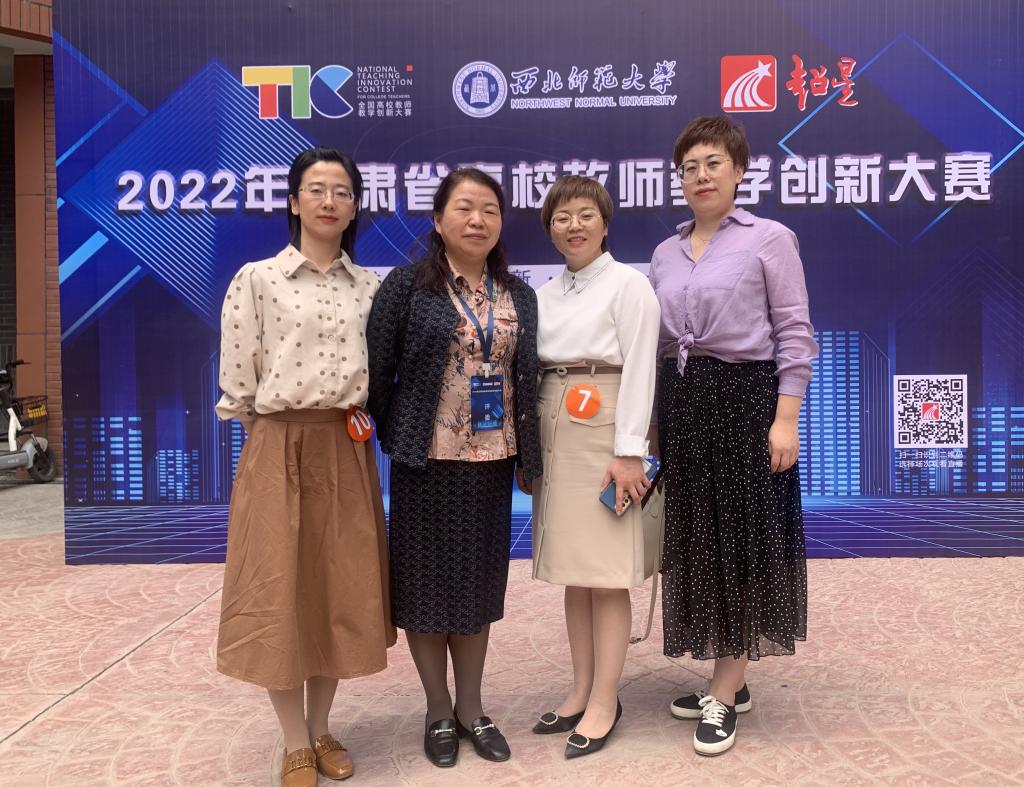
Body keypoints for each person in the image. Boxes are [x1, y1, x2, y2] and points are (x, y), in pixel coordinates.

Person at [216, 147, 396, 787]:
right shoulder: (257, 279)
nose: (329, 201)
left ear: (354, 207)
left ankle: (321, 727)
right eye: (316, 189)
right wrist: (273, 446)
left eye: (342, 191)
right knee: (278, 591)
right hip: (277, 444)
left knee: (337, 589)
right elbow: (239, 383)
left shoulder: (371, 287)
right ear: (293, 202)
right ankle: (293, 740)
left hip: (346, 446)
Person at [649, 115, 818, 756]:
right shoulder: (665, 253)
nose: (701, 175)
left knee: (743, 540)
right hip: (685, 404)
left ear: (739, 170)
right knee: (701, 540)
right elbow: (661, 347)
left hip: (746, 401)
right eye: (689, 166)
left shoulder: (769, 239)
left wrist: (786, 417)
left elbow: (794, 333)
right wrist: (657, 424)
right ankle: (731, 673)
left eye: (713, 162)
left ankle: (723, 691)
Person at [366, 168, 542, 768]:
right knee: (424, 589)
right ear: (438, 220)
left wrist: (529, 456)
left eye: (489, 209)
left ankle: (472, 707)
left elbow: (526, 380)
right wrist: (401, 433)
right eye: (464, 208)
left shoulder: (519, 296)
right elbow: (378, 372)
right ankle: (438, 709)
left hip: (491, 463)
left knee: (476, 589)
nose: (477, 219)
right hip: (425, 463)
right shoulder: (406, 287)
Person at [529, 176, 661, 758]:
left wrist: (629, 451)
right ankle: (579, 689)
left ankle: (606, 699)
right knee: (575, 570)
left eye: (585, 214)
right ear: (550, 229)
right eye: (561, 217)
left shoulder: (630, 285)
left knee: (605, 572)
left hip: (605, 425)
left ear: (605, 223)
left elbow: (641, 369)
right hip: (553, 422)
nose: (574, 226)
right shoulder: (544, 293)